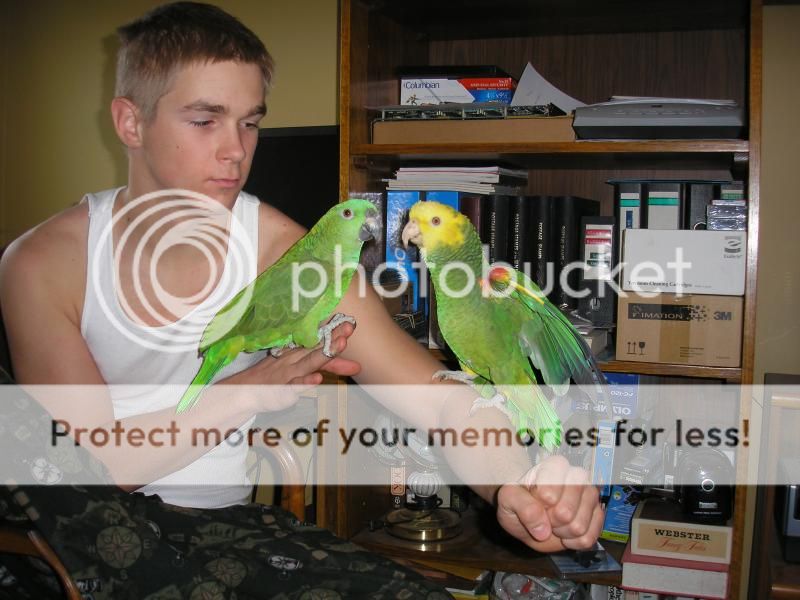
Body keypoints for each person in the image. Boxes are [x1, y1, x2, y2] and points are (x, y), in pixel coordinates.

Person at [0, 0, 601, 578]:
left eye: (250, 123)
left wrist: (515, 482)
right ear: (130, 122)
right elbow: (88, 471)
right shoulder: (41, 265)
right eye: (205, 121)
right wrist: (248, 391)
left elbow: (442, 402)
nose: (236, 151)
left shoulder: (298, 254)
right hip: (88, 542)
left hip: (224, 532)